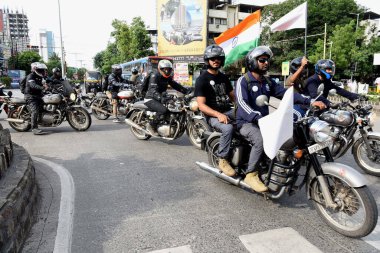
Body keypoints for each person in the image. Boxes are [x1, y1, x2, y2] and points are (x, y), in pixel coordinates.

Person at [235, 46, 326, 192]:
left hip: (264, 120)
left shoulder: (267, 82)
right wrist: (256, 117)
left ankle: (280, 165)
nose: (265, 63)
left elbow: (286, 94)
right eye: (262, 60)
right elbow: (242, 103)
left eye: (267, 60)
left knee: (291, 134)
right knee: (260, 140)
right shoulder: (243, 81)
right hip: (246, 122)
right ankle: (251, 174)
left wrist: (309, 101)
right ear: (253, 62)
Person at [194, 44, 236, 177]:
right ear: (207, 60)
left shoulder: (223, 77)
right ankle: (222, 159)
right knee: (228, 129)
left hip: (228, 111)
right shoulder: (202, 79)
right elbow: (201, 105)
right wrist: (218, 114)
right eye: (212, 58)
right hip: (212, 115)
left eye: (218, 58)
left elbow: (233, 96)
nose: (216, 60)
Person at [143, 59, 189, 135]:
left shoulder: (167, 77)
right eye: (165, 69)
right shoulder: (154, 76)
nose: (167, 71)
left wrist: (186, 91)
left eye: (168, 69)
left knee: (174, 107)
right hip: (150, 98)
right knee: (163, 110)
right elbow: (153, 91)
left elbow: (175, 85)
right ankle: (151, 125)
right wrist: (162, 98)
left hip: (160, 97)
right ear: (160, 69)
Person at [24, 62, 49, 135]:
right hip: (30, 97)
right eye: (41, 70)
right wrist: (42, 87)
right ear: (35, 69)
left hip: (38, 95)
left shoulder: (41, 77)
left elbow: (48, 81)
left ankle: (41, 120)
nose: (43, 71)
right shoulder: (30, 76)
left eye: (43, 70)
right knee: (35, 111)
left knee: (44, 107)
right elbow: (33, 85)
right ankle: (34, 128)